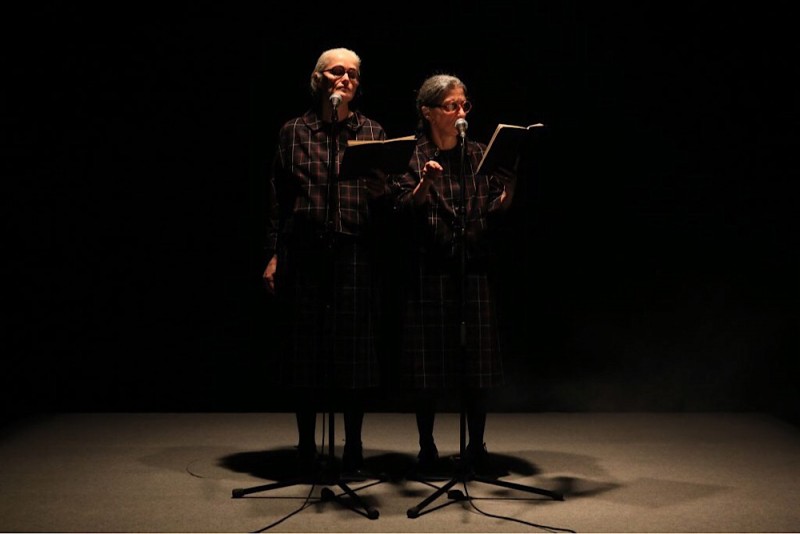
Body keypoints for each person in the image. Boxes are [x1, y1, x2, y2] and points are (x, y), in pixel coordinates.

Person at [262, 47, 388, 474]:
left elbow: (385, 198)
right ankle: (304, 448)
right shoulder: (293, 131)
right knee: (306, 353)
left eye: (353, 73)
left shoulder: (371, 130)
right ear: (319, 78)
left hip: (354, 249)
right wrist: (274, 254)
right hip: (304, 250)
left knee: (353, 354)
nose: (346, 78)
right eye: (337, 71)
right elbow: (278, 198)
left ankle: (353, 447)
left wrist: (379, 186)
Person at [389, 73, 518, 475]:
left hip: (472, 266)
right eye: (451, 106)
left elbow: (495, 210)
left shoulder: (479, 153)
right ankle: (426, 447)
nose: (461, 113)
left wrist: (509, 193)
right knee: (426, 368)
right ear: (428, 112)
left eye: (465, 105)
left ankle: (475, 446)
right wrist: (425, 183)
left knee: (476, 365)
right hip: (429, 269)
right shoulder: (411, 154)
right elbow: (400, 209)